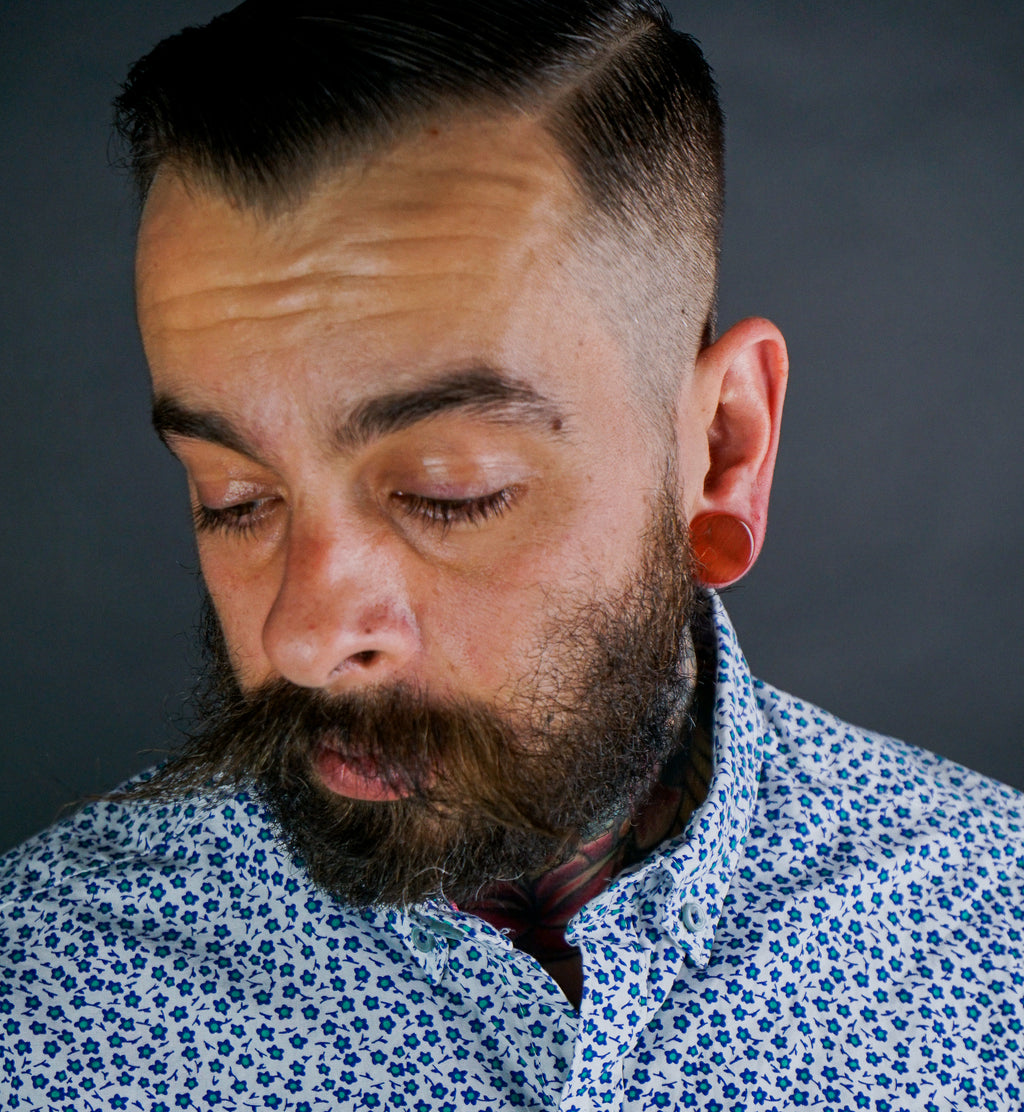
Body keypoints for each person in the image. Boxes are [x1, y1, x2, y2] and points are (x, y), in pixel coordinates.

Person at [1, 1, 1021, 1108]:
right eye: (235, 498)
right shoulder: (36, 997)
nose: (303, 637)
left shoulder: (994, 933)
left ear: (725, 447)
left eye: (450, 493)